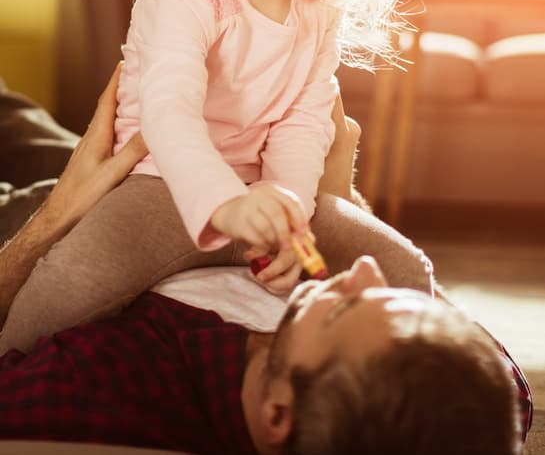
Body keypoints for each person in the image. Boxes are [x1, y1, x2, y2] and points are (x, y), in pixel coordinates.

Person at [0, 0, 436, 354]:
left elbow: (304, 122)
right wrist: (226, 205)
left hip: (263, 198)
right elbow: (169, 114)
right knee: (60, 296)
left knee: (405, 273)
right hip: (162, 191)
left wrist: (287, 205)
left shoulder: (318, 12)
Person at [0, 75, 531, 454]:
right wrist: (334, 194)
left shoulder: (89, 398)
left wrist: (58, 212)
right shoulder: (474, 394)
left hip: (43, 231)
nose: (362, 272)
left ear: (278, 413)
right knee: (21, 120)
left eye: (341, 311)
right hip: (184, 177)